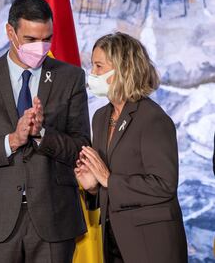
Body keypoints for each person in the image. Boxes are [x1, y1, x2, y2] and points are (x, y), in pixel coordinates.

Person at [0, 0, 91, 263]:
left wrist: (42, 134)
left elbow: (80, 148)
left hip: (54, 218)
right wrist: (12, 140)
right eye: (31, 39)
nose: (40, 47)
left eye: (46, 39)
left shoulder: (71, 78)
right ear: (10, 32)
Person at [75, 32, 188, 263]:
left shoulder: (153, 119)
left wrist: (107, 179)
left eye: (98, 66)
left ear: (123, 69)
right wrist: (93, 188)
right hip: (113, 240)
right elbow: (108, 185)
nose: (92, 74)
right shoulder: (100, 116)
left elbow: (164, 185)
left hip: (151, 243)